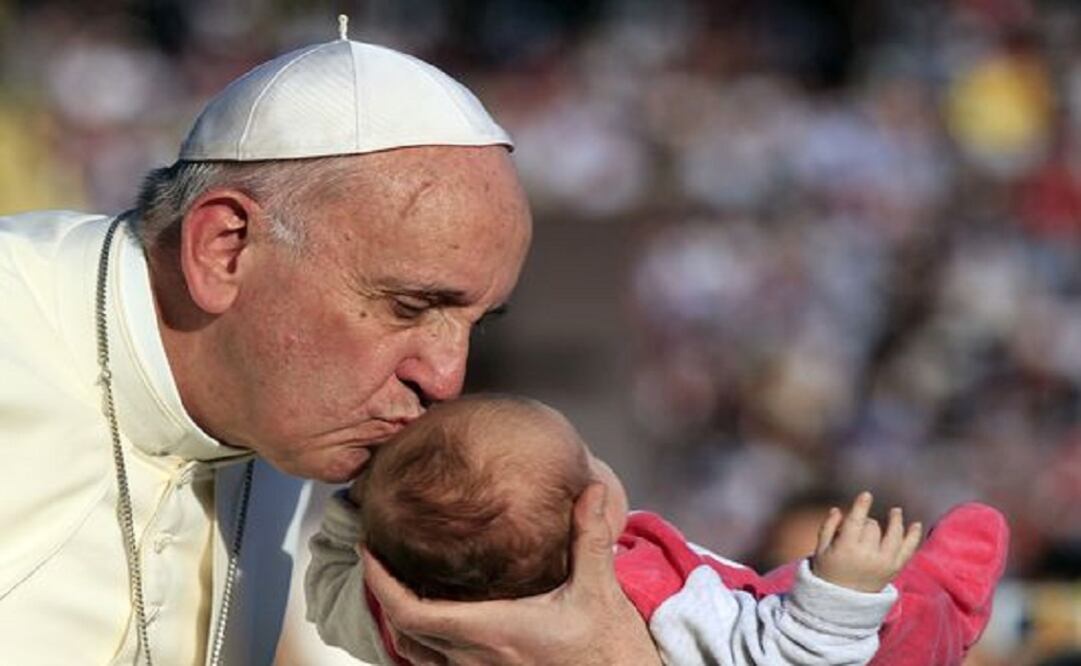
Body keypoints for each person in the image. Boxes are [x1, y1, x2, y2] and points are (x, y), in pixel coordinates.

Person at [0, 29, 658, 665]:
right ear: (225, 248)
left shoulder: (282, 409)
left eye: (473, 323)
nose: (446, 379)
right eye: (409, 306)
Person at [307, 394, 1010, 666]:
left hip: (761, 600)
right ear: (595, 513)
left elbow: (329, 587)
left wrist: (365, 509)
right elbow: (783, 658)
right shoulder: (647, 601)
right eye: (587, 457)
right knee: (915, 608)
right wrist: (841, 592)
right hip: (836, 641)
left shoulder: (401, 622)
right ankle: (954, 587)